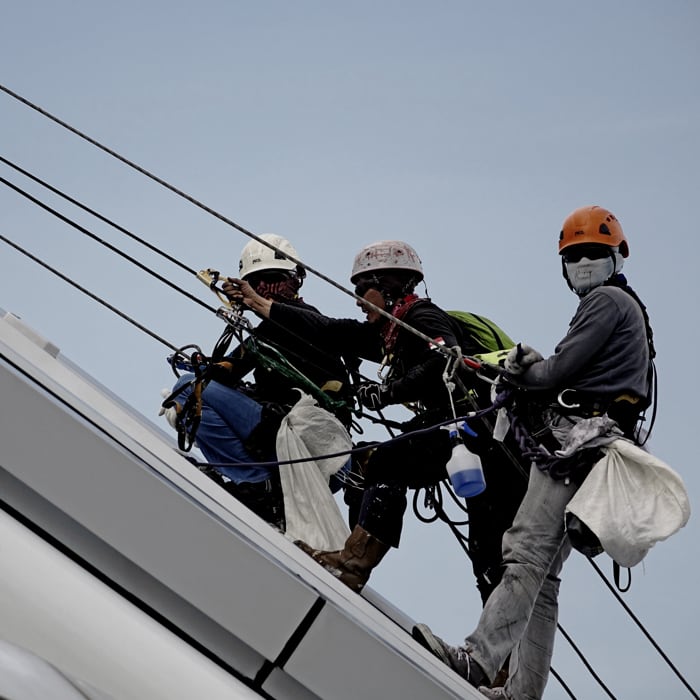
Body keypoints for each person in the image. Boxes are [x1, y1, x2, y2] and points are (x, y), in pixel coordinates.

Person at [413, 205, 655, 700]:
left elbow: (557, 373)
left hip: (576, 446)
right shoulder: (630, 310)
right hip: (597, 449)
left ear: (617, 257)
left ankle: (477, 660)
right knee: (543, 578)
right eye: (575, 255)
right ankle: (523, 693)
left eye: (593, 253)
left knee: (523, 552)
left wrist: (519, 369)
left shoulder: (606, 301)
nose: (584, 263)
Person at [226, 240, 529, 596]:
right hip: (474, 437)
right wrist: (260, 304)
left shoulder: (421, 317)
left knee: (385, 461)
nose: (357, 300)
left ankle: (352, 564)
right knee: (486, 552)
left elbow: (443, 358)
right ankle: (352, 559)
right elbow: (329, 330)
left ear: (387, 285)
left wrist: (388, 392)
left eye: (361, 290)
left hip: (481, 432)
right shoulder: (389, 334)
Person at [162, 234, 357, 531]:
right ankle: (263, 489)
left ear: (295, 281)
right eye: (256, 283)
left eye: (273, 280)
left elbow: (238, 361)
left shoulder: (304, 320)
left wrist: (253, 304)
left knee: (190, 388)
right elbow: (229, 368)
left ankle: (257, 484)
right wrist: (206, 365)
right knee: (193, 391)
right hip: (294, 443)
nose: (265, 289)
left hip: (313, 443)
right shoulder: (267, 333)